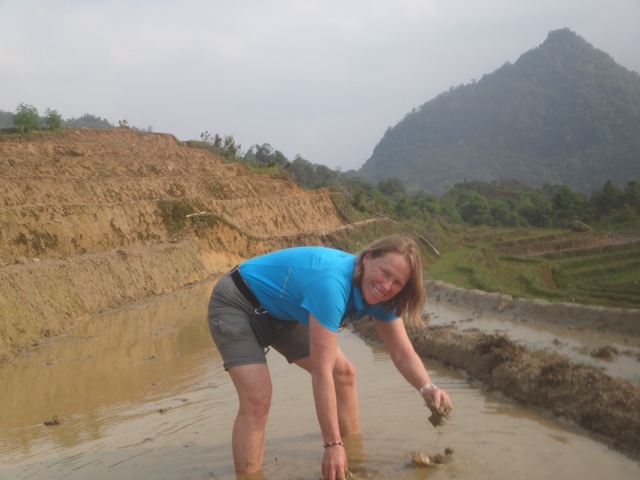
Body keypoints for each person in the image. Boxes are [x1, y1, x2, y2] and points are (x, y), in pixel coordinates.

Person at [207, 234, 453, 480]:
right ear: (367, 258)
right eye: (384, 272)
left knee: (343, 374)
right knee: (258, 398)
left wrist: (426, 386)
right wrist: (332, 444)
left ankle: (353, 461)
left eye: (398, 283)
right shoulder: (332, 284)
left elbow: (402, 353)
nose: (386, 286)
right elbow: (321, 371)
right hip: (238, 301)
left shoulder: (383, 298)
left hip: (285, 310)